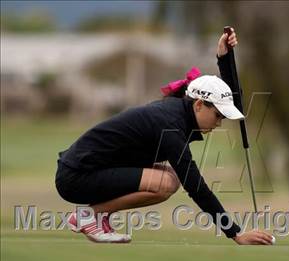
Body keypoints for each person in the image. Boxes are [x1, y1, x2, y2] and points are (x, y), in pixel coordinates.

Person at [55, 29, 273, 245]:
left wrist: (224, 58)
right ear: (199, 105)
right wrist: (235, 233)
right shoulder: (170, 125)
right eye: (217, 115)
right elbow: (195, 185)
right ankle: (90, 216)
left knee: (168, 177)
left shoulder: (182, 109)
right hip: (77, 176)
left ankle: (97, 217)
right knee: (165, 182)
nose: (219, 123)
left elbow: (232, 101)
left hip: (92, 170)